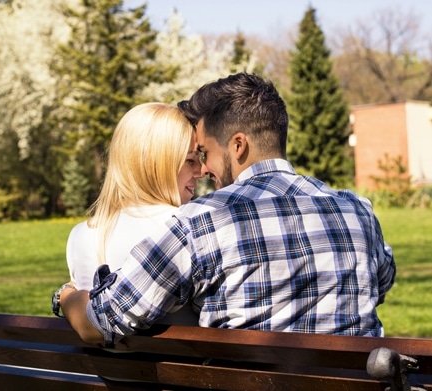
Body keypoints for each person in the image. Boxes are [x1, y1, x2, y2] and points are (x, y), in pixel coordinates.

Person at [55, 73, 396, 346]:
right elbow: (381, 282)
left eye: (203, 152)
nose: (203, 170)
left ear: (238, 145)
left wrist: (67, 297)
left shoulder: (204, 222)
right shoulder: (359, 211)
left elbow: (103, 320)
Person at [55, 102, 202, 325]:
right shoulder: (186, 226)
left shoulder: (81, 234)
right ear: (156, 163)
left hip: (99, 361)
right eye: (190, 160)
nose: (200, 171)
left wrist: (64, 294)